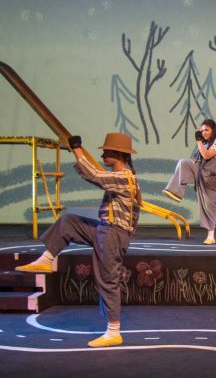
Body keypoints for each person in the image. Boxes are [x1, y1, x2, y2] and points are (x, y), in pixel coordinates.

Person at [16, 132, 141, 348]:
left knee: (107, 280)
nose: (102, 155)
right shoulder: (122, 176)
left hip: (113, 234)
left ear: (119, 154)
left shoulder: (123, 177)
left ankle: (113, 332)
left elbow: (94, 176)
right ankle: (47, 258)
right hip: (105, 230)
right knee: (69, 222)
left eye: (106, 152)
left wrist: (77, 148)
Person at [163, 119, 216, 245]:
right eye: (202, 130)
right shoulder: (206, 143)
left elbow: (207, 155)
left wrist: (199, 140)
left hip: (214, 177)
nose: (204, 133)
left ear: (213, 130)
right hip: (203, 172)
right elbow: (196, 158)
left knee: (209, 205)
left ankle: (211, 236)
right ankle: (175, 192)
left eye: (207, 130)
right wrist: (202, 142)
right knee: (184, 163)